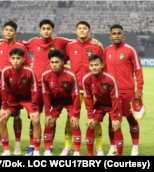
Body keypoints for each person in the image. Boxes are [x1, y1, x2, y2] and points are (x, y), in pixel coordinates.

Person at [0, 19, 100, 156]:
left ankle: (49, 147)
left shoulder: (60, 41)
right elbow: (20, 44)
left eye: (48, 29)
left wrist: (92, 40)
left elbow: (77, 40)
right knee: (35, 116)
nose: (46, 31)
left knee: (52, 117)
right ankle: (32, 146)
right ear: (40, 31)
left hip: (55, 86)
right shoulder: (34, 41)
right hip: (38, 86)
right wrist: (5, 39)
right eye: (43, 29)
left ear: (53, 31)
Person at [0, 21, 31, 155]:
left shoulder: (20, 47)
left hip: (17, 88)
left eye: (11, 30)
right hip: (0, 87)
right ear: (2, 32)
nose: (8, 32)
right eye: (6, 30)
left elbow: (28, 65)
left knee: (16, 115)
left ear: (15, 33)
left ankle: (17, 145)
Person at [63, 21, 106, 156]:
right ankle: (67, 146)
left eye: (85, 28)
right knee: (71, 118)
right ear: (76, 31)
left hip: (93, 89)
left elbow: (104, 66)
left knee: (95, 118)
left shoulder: (97, 46)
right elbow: (60, 62)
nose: (82, 30)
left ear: (89, 31)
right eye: (79, 29)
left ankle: (98, 148)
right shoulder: (69, 46)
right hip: (74, 89)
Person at [105, 24, 144, 156]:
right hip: (111, 93)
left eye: (119, 33)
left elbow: (138, 69)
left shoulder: (130, 50)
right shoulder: (106, 51)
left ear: (123, 35)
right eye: (114, 34)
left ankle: (135, 147)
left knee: (131, 119)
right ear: (110, 36)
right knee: (112, 121)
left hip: (128, 91)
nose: (116, 35)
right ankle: (113, 147)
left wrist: (139, 88)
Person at [0, 48, 41, 156]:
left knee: (35, 120)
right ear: (10, 59)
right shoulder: (6, 71)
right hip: (13, 99)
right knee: (2, 119)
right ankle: (7, 150)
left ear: (23, 59)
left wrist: (35, 107)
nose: (16, 61)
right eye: (13, 58)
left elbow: (34, 89)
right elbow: (4, 89)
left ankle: (36, 151)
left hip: (27, 99)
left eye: (18, 58)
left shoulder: (29, 71)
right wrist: (4, 107)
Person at [42, 49, 81, 156]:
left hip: (70, 102)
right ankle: (47, 151)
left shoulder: (71, 75)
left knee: (75, 124)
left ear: (62, 62)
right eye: (52, 62)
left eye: (57, 62)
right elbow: (46, 95)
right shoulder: (45, 75)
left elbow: (76, 95)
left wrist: (76, 114)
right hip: (56, 103)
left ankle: (76, 152)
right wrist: (47, 113)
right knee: (49, 123)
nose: (54, 65)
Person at [83, 54, 123, 156]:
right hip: (100, 105)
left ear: (102, 65)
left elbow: (115, 98)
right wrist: (90, 116)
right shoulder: (86, 79)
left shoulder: (109, 78)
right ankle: (90, 154)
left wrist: (114, 117)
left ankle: (119, 154)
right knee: (90, 126)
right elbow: (88, 98)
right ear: (89, 66)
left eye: (96, 64)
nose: (94, 67)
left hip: (114, 105)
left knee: (116, 127)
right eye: (92, 65)